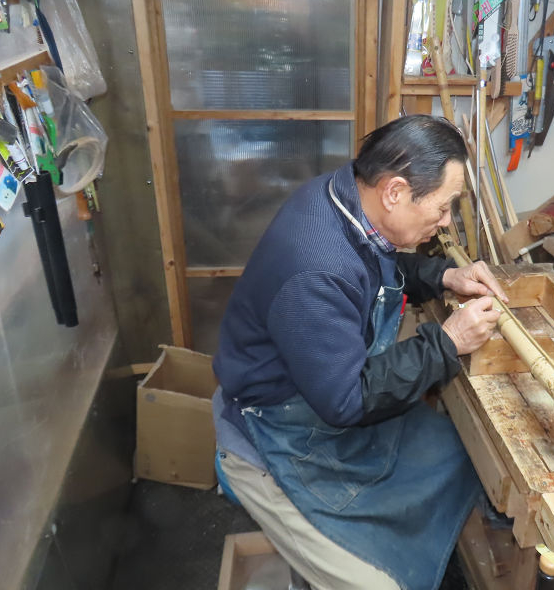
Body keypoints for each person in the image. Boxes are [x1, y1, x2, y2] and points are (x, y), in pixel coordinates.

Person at [212, 114, 507, 590]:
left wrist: (443, 276)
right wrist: (448, 341)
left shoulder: (347, 199)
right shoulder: (316, 271)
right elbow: (347, 401)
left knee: (458, 456)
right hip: (282, 430)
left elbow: (378, 262)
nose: (446, 221)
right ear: (394, 192)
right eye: (444, 206)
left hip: (326, 396)